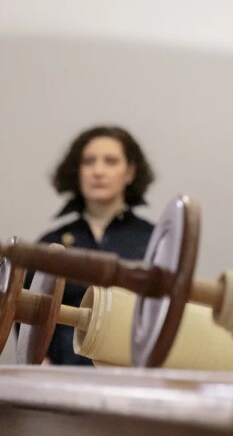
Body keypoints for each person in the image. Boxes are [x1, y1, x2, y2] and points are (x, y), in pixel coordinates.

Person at [32, 126, 155, 365]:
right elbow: (27, 311)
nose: (98, 171)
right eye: (89, 162)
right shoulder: (51, 242)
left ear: (129, 172)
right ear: (77, 172)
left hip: (132, 373)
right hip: (61, 376)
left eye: (110, 161)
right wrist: (40, 361)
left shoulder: (154, 240)